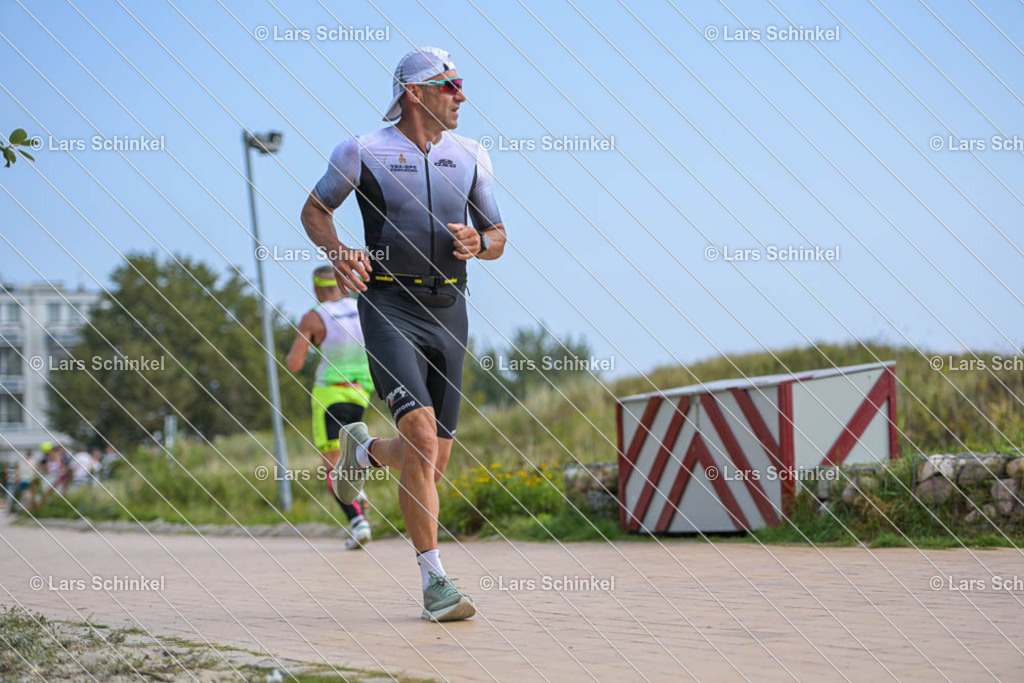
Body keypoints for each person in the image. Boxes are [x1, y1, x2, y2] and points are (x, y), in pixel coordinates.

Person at [301, 46, 506, 622]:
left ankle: (362, 453)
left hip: (450, 307)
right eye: (451, 85)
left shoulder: (472, 156)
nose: (461, 95)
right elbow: (315, 210)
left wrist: (480, 244)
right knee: (418, 435)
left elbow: (499, 235)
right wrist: (339, 250)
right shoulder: (361, 151)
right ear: (415, 93)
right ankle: (435, 584)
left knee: (432, 462)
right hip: (389, 302)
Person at [286, 266, 376, 550]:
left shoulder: (313, 316)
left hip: (329, 394)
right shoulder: (363, 308)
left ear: (316, 289)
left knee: (332, 463)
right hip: (361, 392)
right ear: (341, 284)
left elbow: (294, 364)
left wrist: (309, 336)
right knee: (351, 456)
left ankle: (357, 522)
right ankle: (362, 510)